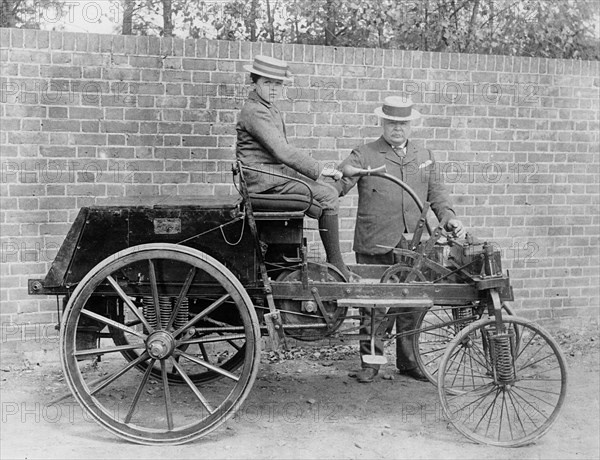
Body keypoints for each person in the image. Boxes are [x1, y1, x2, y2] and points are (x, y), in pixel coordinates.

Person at [336, 96, 466, 383]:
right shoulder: (364, 153)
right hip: (377, 240)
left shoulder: (424, 155)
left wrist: (449, 217)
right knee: (374, 306)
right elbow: (339, 182)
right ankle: (371, 363)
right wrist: (323, 192)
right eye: (392, 123)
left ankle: (409, 362)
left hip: (415, 244)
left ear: (411, 125)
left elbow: (438, 195)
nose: (397, 128)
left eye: (403, 123)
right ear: (382, 123)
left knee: (413, 304)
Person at [236, 55, 356, 281]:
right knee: (329, 196)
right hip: (264, 184)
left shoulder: (267, 107)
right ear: (254, 83)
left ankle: (324, 262)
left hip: (272, 178)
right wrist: (319, 169)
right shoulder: (255, 111)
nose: (273, 89)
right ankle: (337, 265)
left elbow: (280, 154)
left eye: (278, 84)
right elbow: (282, 152)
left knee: (325, 188)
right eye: (267, 83)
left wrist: (318, 175)